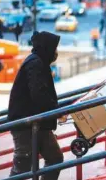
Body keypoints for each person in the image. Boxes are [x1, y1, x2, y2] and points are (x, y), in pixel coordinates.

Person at [8, 31, 64, 180]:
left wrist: (57, 109)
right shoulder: (35, 64)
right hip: (25, 124)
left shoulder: (39, 62)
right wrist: (57, 110)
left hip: (39, 121)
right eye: (55, 49)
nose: (56, 53)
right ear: (47, 48)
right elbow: (39, 94)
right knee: (23, 167)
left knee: (55, 158)